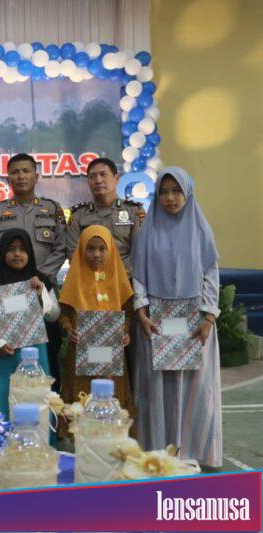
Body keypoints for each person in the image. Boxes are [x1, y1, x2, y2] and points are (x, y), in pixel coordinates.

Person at [131, 167, 221, 468]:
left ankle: (192, 451)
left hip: (196, 323)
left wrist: (208, 318)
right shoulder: (147, 231)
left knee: (194, 388)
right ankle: (158, 451)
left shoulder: (200, 230)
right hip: (155, 323)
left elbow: (211, 274)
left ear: (187, 193)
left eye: (176, 191)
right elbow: (139, 276)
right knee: (157, 388)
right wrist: (141, 312)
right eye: (164, 192)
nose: (170, 198)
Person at [0, 153, 67, 390]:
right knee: (11, 353)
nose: (20, 176)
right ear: (8, 178)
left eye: (26, 171)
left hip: (44, 292)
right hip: (9, 295)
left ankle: (50, 406)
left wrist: (39, 277)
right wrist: (15, 280)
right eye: (15, 172)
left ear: (36, 176)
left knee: (48, 353)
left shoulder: (52, 209)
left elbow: (61, 247)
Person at [58, 225, 134, 434]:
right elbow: (64, 313)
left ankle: (113, 441)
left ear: (111, 250)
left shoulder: (119, 279)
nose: (96, 254)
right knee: (81, 401)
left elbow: (128, 312)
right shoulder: (74, 279)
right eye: (90, 248)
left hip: (112, 357)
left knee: (112, 400)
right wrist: (69, 329)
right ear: (81, 250)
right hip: (80, 355)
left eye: (102, 249)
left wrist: (126, 332)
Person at [0, 229, 60, 417]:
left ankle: (33, 435)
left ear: (30, 252)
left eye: (22, 249)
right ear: (2, 252)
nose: (17, 254)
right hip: (4, 351)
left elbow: (53, 315)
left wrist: (41, 294)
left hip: (34, 354)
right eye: (11, 249)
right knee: (1, 398)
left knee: (34, 401)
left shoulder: (40, 280)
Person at [66, 157, 146, 275]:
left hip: (125, 280)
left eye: (103, 175)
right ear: (88, 182)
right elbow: (73, 254)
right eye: (92, 177)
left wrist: (115, 276)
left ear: (116, 179)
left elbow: (140, 253)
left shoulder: (134, 211)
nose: (98, 180)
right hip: (89, 280)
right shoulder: (78, 215)